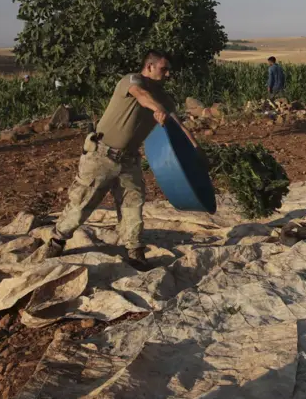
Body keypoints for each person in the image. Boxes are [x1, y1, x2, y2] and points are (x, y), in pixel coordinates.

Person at [49, 50, 201, 268]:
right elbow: (141, 95)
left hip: (129, 160)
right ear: (149, 66)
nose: (168, 74)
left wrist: (196, 148)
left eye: (169, 70)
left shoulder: (164, 98)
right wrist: (157, 110)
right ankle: (57, 240)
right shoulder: (131, 81)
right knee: (82, 203)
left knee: (133, 205)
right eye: (164, 69)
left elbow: (179, 125)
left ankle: (134, 250)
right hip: (101, 155)